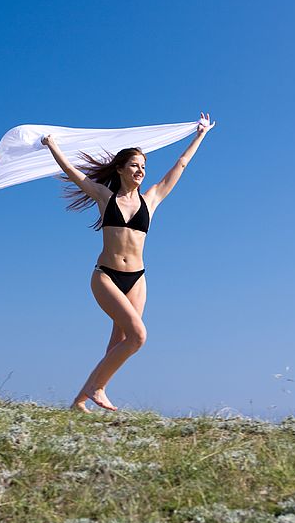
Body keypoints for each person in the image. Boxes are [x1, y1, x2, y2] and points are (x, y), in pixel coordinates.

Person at [41, 112, 215, 412]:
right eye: (135, 165)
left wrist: (200, 134)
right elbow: (72, 172)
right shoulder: (105, 197)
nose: (141, 170)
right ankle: (98, 389)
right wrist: (51, 145)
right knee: (138, 336)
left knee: (118, 344)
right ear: (120, 169)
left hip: (137, 279)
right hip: (106, 276)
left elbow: (181, 165)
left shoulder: (152, 199)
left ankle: (80, 401)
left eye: (144, 166)